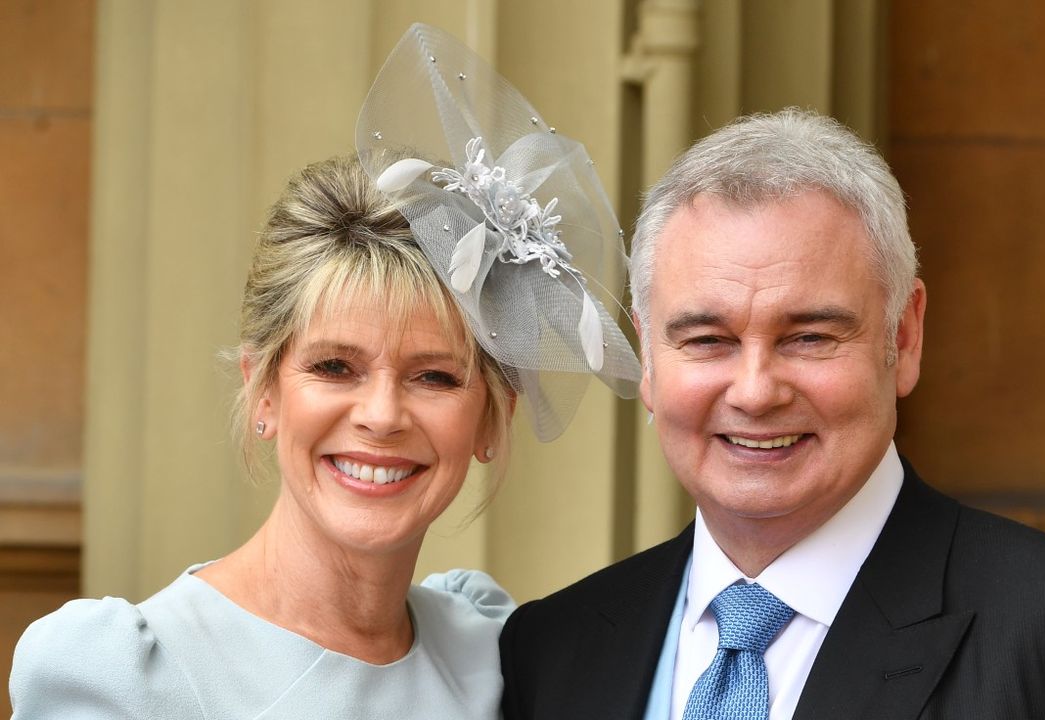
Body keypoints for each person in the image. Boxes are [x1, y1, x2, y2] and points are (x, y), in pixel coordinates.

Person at [498, 109, 1045, 719]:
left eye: (809, 336)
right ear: (647, 359)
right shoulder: (552, 650)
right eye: (707, 340)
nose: (754, 391)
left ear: (903, 338)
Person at [9, 24, 639, 720]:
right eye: (335, 367)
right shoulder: (129, 677)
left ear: (494, 415)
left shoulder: (489, 652)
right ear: (265, 389)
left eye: (434, 377)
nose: (380, 414)